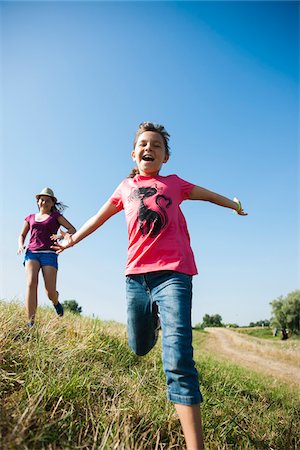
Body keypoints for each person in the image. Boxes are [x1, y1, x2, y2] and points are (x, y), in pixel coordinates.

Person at [52, 122, 247, 450]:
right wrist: (71, 240)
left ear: (165, 156)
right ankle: (152, 323)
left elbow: (209, 195)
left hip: (174, 274)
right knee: (139, 347)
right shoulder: (125, 187)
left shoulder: (174, 183)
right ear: (134, 153)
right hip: (136, 278)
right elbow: (97, 218)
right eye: (143, 144)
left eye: (156, 145)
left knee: (178, 358)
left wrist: (234, 204)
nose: (149, 148)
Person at [17, 187, 76, 327]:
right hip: (32, 253)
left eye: (47, 200)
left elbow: (72, 229)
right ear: (38, 201)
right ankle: (30, 322)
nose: (44, 202)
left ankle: (55, 301)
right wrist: (20, 245)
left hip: (49, 254)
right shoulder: (30, 217)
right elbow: (22, 235)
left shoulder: (56, 217)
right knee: (31, 283)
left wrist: (61, 235)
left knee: (49, 291)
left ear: (52, 203)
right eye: (42, 199)